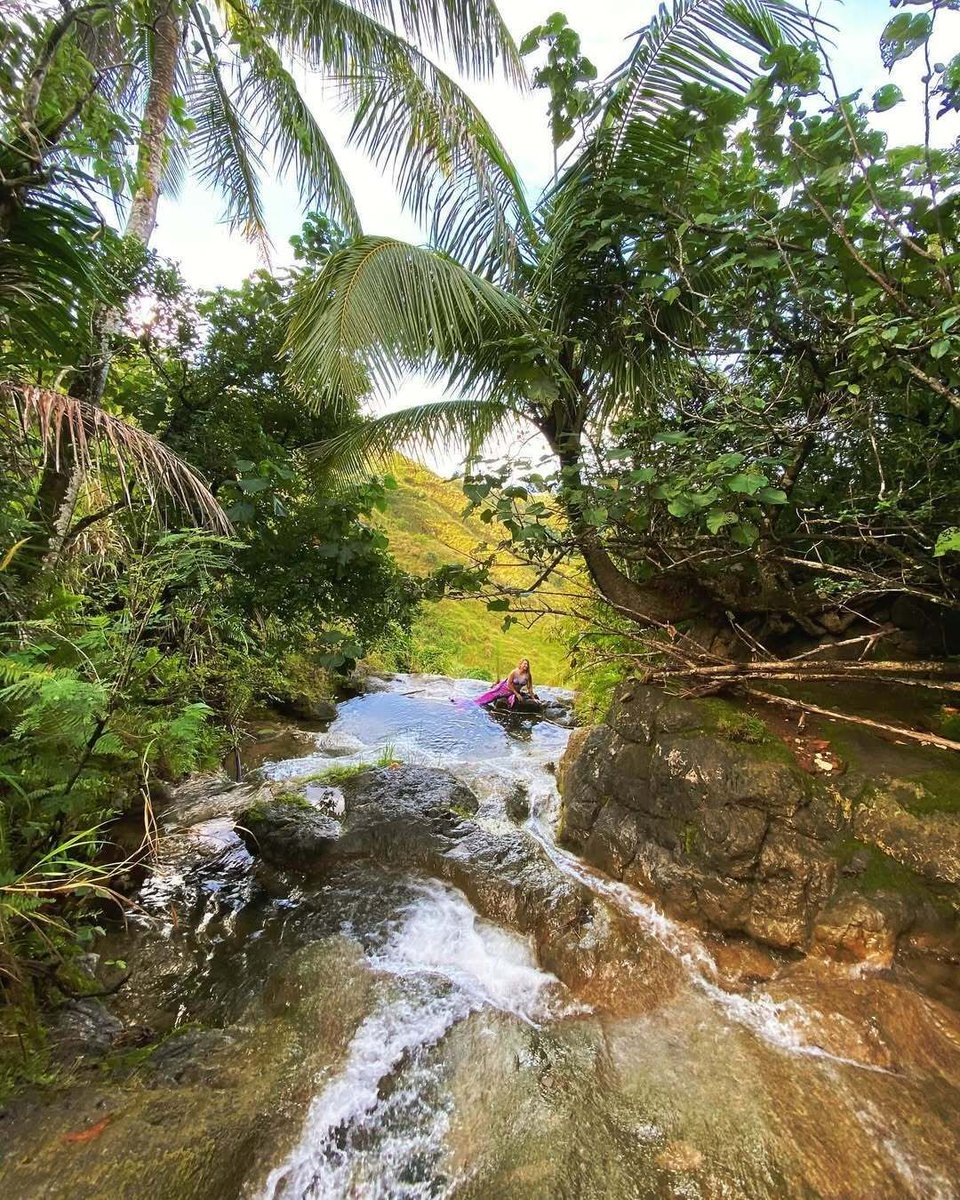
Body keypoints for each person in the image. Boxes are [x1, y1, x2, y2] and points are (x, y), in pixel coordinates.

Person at [473, 658, 539, 708]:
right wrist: (517, 694)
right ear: (520, 664)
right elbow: (509, 684)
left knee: (514, 703)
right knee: (491, 696)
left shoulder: (528, 675)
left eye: (527, 664)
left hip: (515, 691)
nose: (526, 665)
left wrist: (533, 698)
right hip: (506, 688)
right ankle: (475, 702)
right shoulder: (514, 672)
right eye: (524, 664)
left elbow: (529, 687)